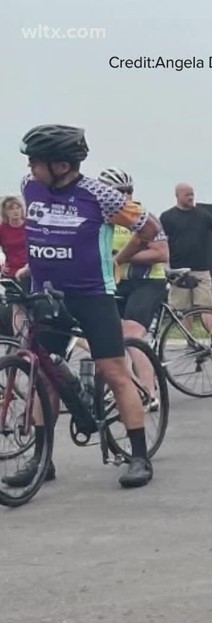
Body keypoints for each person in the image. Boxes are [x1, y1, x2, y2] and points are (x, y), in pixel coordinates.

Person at [5, 124, 164, 489]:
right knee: (41, 375)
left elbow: (149, 226)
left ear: (61, 165)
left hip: (92, 294)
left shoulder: (99, 194)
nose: (30, 167)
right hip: (47, 293)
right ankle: (42, 461)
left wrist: (119, 258)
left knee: (113, 371)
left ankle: (139, 456)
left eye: (36, 161)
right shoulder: (30, 186)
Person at [98, 168, 167, 403]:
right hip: (115, 284)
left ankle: (149, 391)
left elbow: (161, 253)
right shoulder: (99, 219)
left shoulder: (143, 216)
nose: (125, 196)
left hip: (147, 282)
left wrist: (121, 256)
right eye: (118, 192)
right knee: (110, 338)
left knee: (132, 335)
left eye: (129, 191)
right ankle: (122, 386)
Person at [159, 183, 212, 351]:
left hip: (201, 270)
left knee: (206, 305)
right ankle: (189, 339)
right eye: (187, 195)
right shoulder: (167, 217)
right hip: (178, 271)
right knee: (182, 308)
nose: (191, 197)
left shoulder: (203, 215)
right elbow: (162, 242)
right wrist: (165, 267)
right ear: (178, 196)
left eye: (192, 194)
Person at [0, 195, 29, 336]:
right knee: (17, 309)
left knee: (33, 309)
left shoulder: (29, 226)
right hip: (12, 273)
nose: (15, 211)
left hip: (30, 271)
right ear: (5, 212)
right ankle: (20, 344)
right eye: (11, 209)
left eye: (17, 207)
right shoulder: (2, 229)